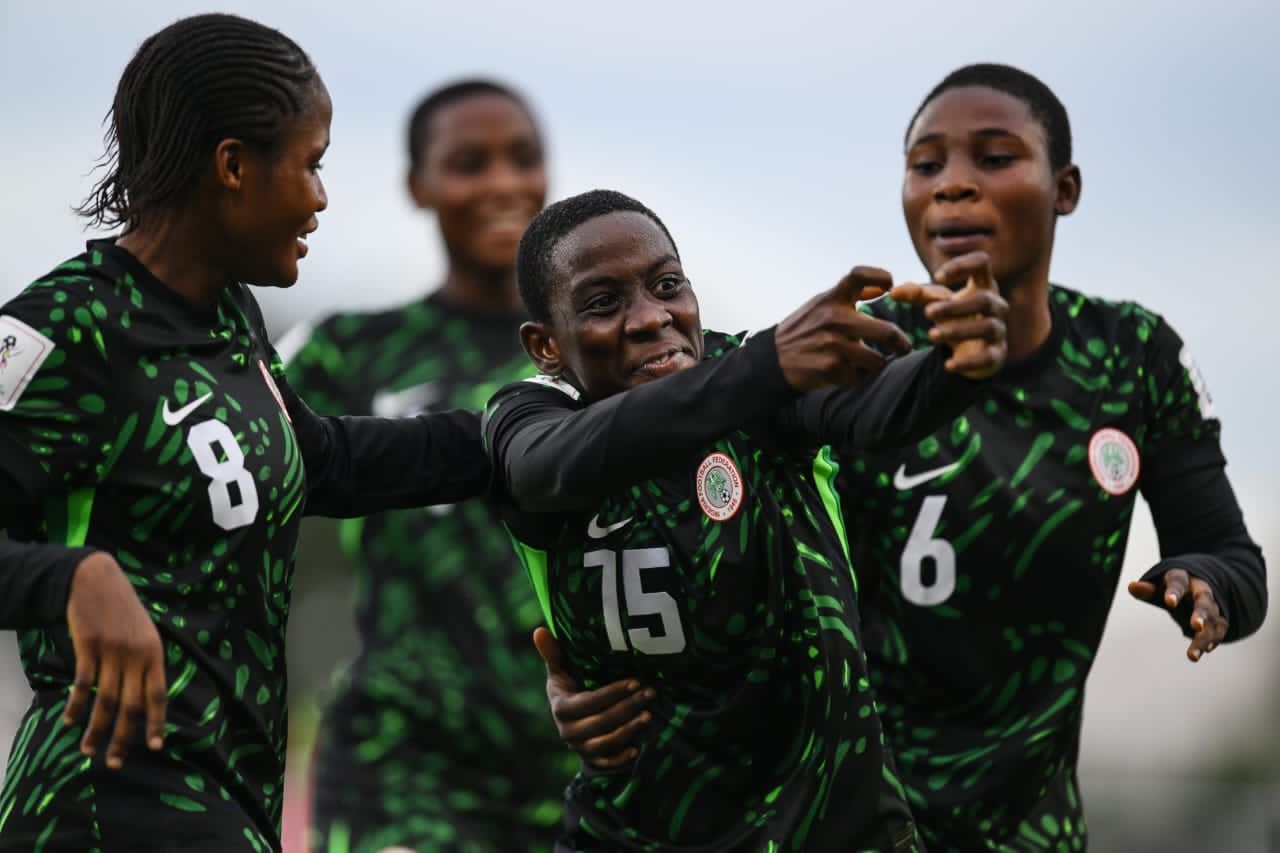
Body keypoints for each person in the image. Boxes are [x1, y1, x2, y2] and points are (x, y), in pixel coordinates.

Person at [536, 64, 1268, 851]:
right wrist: (580, 676)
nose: (953, 184)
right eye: (926, 164)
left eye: (994, 157)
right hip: (846, 821)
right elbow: (689, 551)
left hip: (1029, 825)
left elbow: (1231, 557)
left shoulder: (1131, 357)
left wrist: (1211, 584)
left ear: (1065, 188)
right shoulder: (850, 344)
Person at [0, 14, 491, 851]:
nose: (322, 198)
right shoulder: (67, 327)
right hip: (101, 805)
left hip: (230, 792)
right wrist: (70, 576)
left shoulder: (230, 316)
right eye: (312, 163)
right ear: (233, 166)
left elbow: (324, 460)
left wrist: (517, 432)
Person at [484, 188, 1011, 851]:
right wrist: (767, 368)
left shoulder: (760, 382)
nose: (651, 318)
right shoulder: (529, 417)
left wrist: (958, 365)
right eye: (603, 303)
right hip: (630, 835)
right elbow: (544, 468)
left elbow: (881, 410)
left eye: (667, 286)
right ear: (545, 345)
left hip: (836, 832)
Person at [277, 80, 577, 852]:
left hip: (585, 766)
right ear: (419, 185)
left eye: (523, 158)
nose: (503, 182)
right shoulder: (351, 351)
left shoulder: (602, 355)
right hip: (402, 764)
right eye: (469, 163)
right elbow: (219, 463)